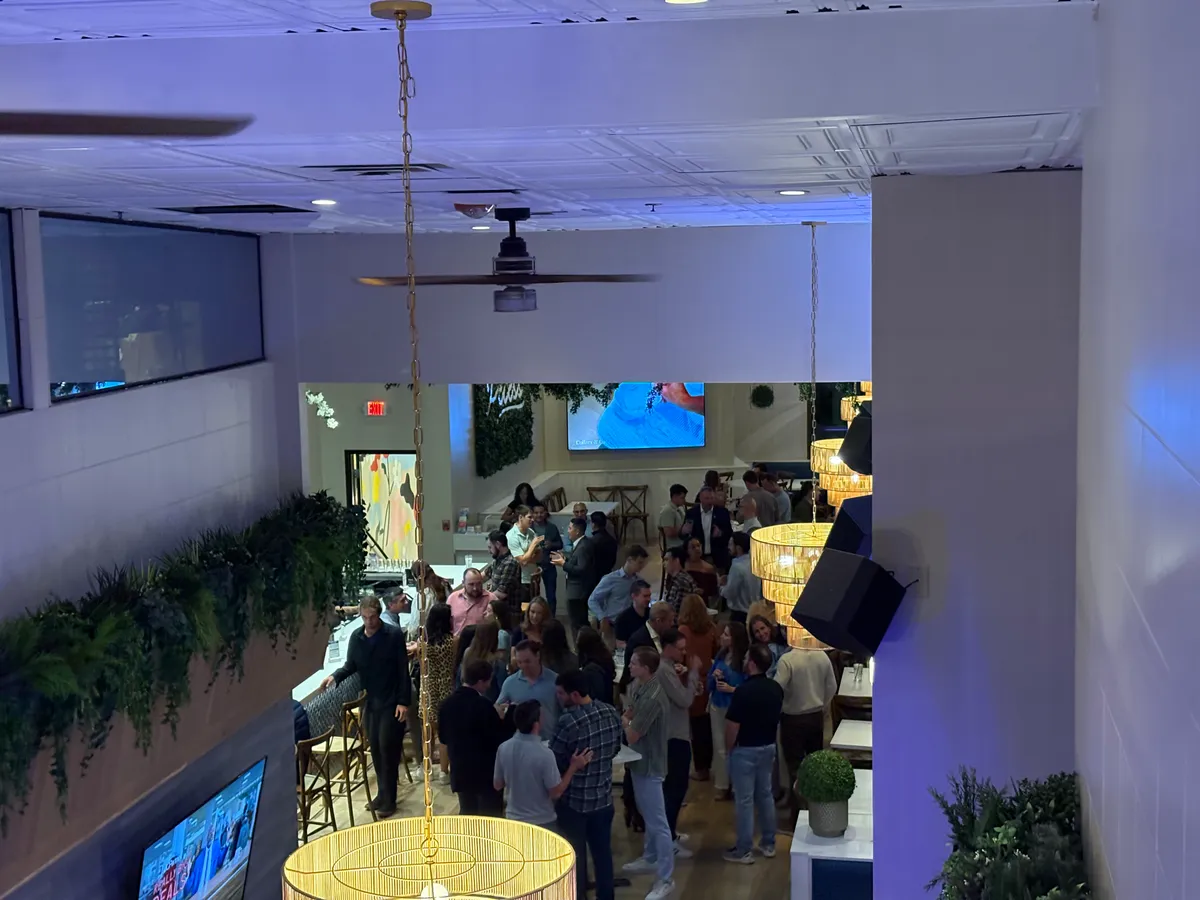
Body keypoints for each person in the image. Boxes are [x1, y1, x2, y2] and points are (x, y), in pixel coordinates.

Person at [320, 595, 410, 818]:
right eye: (365, 617)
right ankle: (381, 794)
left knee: (388, 749)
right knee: (377, 751)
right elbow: (351, 665)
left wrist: (403, 701)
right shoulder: (357, 637)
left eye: (372, 617)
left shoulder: (393, 636)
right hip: (371, 701)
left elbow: (402, 671)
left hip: (391, 699)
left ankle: (390, 800)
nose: (369, 622)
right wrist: (335, 676)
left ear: (378, 614)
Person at [551, 669, 624, 900]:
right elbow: (615, 749)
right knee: (603, 855)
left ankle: (578, 895)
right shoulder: (611, 712)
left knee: (576, 857)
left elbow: (555, 760)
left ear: (574, 694)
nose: (558, 698)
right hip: (602, 798)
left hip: (574, 802)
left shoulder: (568, 722)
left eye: (561, 694)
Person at [620, 646, 675, 900]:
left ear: (646, 668)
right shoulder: (640, 687)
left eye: (633, 663)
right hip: (639, 762)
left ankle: (666, 878)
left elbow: (631, 733)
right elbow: (629, 713)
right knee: (649, 815)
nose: (629, 666)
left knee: (658, 822)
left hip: (650, 764)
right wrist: (628, 719)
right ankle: (650, 856)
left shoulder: (652, 696)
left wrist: (626, 721)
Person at [723, 644, 785, 864]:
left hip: (745, 750)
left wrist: (728, 748)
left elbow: (732, 726)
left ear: (751, 663)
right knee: (765, 795)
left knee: (745, 800)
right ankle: (769, 843)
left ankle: (744, 849)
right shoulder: (776, 688)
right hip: (768, 746)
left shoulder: (743, 691)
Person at [494, 699, 593, 827]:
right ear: (536, 724)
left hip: (513, 819)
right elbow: (555, 792)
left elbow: (498, 784)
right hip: (541, 821)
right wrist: (573, 767)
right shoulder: (544, 754)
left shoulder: (503, 748)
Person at [438, 658, 513, 815]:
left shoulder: (446, 704)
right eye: (488, 681)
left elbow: (443, 737)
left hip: (460, 770)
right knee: (490, 817)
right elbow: (499, 739)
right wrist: (506, 716)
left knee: (467, 815)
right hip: (484, 773)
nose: (488, 685)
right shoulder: (483, 706)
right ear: (480, 681)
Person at [774, 644, 838, 821]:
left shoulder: (787, 660)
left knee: (795, 769)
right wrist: (822, 705)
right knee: (814, 766)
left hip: (792, 718)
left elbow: (777, 689)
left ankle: (797, 816)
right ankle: (815, 813)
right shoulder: (822, 656)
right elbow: (832, 685)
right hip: (815, 717)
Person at [656, 627, 702, 855]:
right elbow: (684, 700)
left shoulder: (668, 669)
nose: (684, 654)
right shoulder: (663, 671)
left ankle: (670, 834)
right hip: (673, 736)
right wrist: (693, 674)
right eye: (681, 649)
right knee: (675, 788)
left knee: (675, 787)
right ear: (669, 648)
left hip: (677, 733)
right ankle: (668, 841)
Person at [676, 593, 716, 782]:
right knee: (706, 726)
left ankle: (700, 768)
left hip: (690, 680)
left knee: (695, 727)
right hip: (707, 680)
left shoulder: (683, 630)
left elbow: (681, 657)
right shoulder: (711, 629)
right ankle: (707, 765)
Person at [708, 621, 749, 800]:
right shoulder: (720, 656)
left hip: (735, 708)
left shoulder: (745, 660)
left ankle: (737, 784)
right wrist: (714, 676)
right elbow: (710, 683)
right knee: (719, 746)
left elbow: (749, 686)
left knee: (737, 747)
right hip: (717, 705)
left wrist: (732, 689)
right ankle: (722, 784)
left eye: (726, 634)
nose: (722, 637)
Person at [422, 603, 457, 783]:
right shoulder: (453, 641)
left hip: (429, 687)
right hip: (446, 686)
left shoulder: (424, 644)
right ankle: (444, 771)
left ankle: (425, 768)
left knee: (428, 731)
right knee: (445, 733)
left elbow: (422, 666)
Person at [497, 639, 562, 737]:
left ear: (538, 656)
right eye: (519, 662)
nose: (523, 666)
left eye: (527, 661)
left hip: (549, 740)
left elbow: (566, 710)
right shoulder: (510, 683)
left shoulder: (555, 680)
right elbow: (497, 708)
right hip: (523, 743)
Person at [587, 545, 650, 636]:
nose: (642, 566)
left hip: (632, 626)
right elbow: (592, 600)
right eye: (639, 562)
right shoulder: (611, 579)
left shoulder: (639, 582)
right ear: (629, 560)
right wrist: (602, 617)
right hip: (612, 626)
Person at [619, 601, 675, 695]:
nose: (672, 624)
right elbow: (641, 672)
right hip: (638, 692)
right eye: (670, 621)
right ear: (659, 621)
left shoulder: (663, 635)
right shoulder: (639, 640)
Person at [552, 516, 596, 634]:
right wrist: (565, 558)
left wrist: (563, 564)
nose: (568, 531)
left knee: (577, 624)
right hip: (576, 589)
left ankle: (580, 648)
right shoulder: (581, 543)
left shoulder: (583, 547)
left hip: (577, 591)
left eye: (570, 528)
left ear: (577, 531)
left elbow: (581, 569)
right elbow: (577, 562)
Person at [680, 487, 733, 572]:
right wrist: (683, 532)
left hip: (718, 557)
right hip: (697, 558)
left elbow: (729, 533)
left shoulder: (722, 513)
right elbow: (684, 537)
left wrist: (720, 533)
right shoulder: (692, 513)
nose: (709, 501)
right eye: (707, 498)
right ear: (700, 498)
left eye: (712, 498)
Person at [460, 618, 509, 701]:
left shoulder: (467, 653)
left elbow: (461, 679)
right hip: (488, 705)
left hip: (466, 701)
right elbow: (503, 691)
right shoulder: (497, 662)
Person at [506, 505, 545, 606]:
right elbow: (522, 561)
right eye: (529, 517)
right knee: (524, 612)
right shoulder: (512, 536)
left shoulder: (530, 532)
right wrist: (532, 546)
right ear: (520, 517)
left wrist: (528, 558)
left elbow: (539, 555)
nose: (532, 520)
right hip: (521, 581)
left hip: (533, 578)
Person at [721, 533, 762, 624]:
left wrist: (721, 587)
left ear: (738, 548)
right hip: (755, 610)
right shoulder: (755, 562)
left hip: (740, 614)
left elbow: (730, 593)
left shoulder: (737, 567)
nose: (728, 547)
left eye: (731, 544)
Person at [532, 503, 564, 615]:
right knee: (532, 595)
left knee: (551, 595)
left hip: (548, 565)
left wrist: (551, 544)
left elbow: (560, 544)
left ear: (546, 513)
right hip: (532, 566)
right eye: (536, 513)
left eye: (541, 512)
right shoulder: (528, 528)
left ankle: (551, 619)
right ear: (532, 514)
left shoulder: (551, 527)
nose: (539, 515)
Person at [575, 625, 616, 705]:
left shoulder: (591, 670)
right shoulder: (604, 657)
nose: (576, 642)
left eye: (578, 640)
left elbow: (597, 696)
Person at [447, 567, 494, 635]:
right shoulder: (452, 598)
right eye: (471, 584)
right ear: (463, 583)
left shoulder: (491, 599)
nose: (475, 588)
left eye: (478, 584)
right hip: (458, 643)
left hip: (482, 643)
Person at [485, 530, 523, 611]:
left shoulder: (510, 563)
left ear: (498, 545)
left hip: (508, 612)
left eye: (490, 547)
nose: (489, 551)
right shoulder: (498, 560)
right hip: (498, 606)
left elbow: (501, 594)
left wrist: (481, 598)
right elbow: (484, 575)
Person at [613, 579, 653, 647]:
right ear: (634, 596)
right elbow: (620, 643)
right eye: (645, 596)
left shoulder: (652, 614)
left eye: (649, 596)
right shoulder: (622, 619)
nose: (649, 599)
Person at [749, 613, 790, 678]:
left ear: (769, 627)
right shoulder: (755, 653)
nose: (761, 633)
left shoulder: (782, 642)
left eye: (762, 628)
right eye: (757, 631)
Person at [661, 546, 699, 614]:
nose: (664, 563)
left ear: (676, 561)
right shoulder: (677, 579)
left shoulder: (682, 581)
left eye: (667, 560)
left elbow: (678, 611)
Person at [589, 511, 619, 582]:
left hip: (594, 576)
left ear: (593, 524)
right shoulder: (612, 540)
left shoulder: (592, 542)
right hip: (608, 572)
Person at [658, 484, 688, 551]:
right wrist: (683, 530)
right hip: (674, 547)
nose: (684, 500)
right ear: (674, 497)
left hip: (682, 543)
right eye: (682, 498)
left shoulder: (679, 509)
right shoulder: (667, 511)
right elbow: (668, 532)